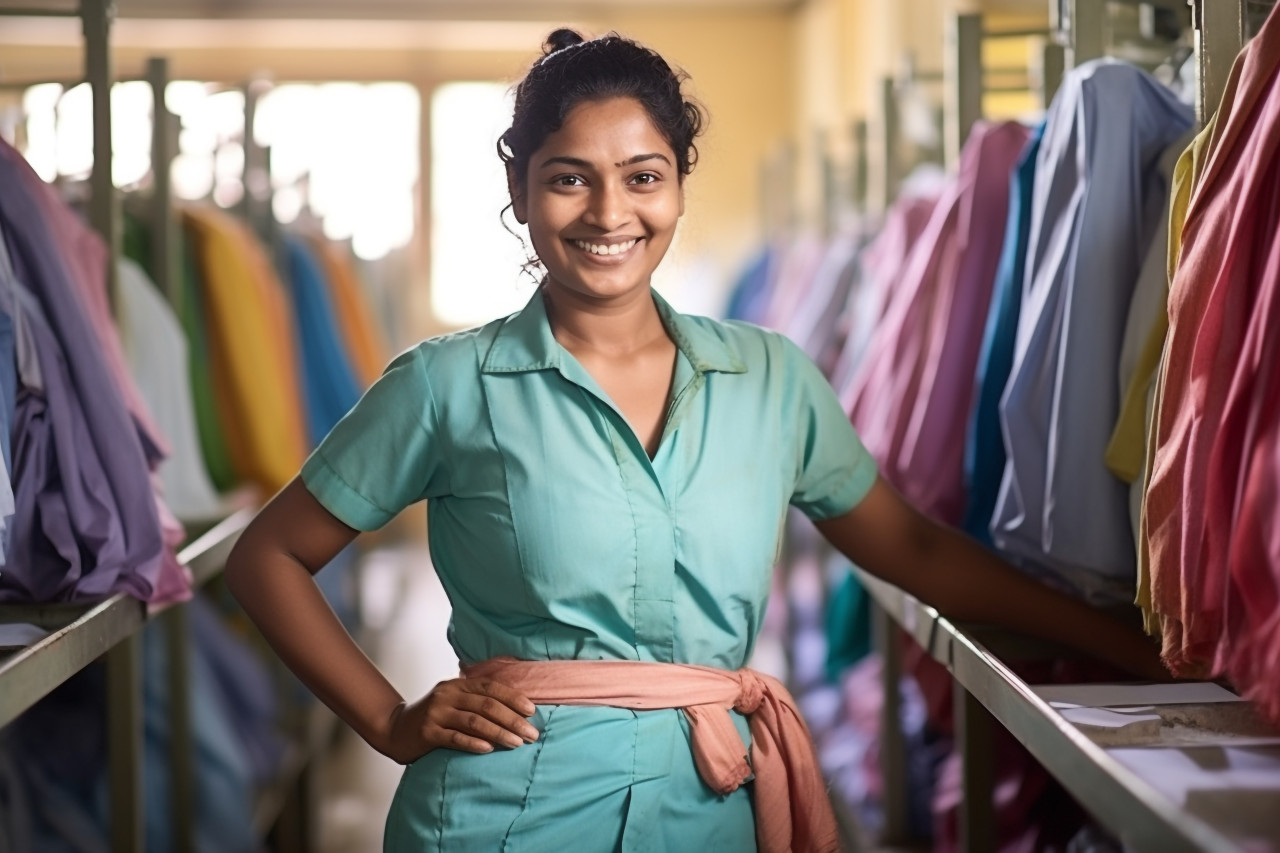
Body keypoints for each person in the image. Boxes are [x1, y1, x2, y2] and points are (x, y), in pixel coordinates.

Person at [225, 28, 1167, 853]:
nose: (608, 213)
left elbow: (912, 546)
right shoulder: (446, 384)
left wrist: (1130, 646)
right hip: (501, 815)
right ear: (520, 190)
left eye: (642, 176)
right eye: (568, 178)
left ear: (678, 186)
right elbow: (267, 557)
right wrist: (390, 718)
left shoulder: (770, 378)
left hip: (711, 810)